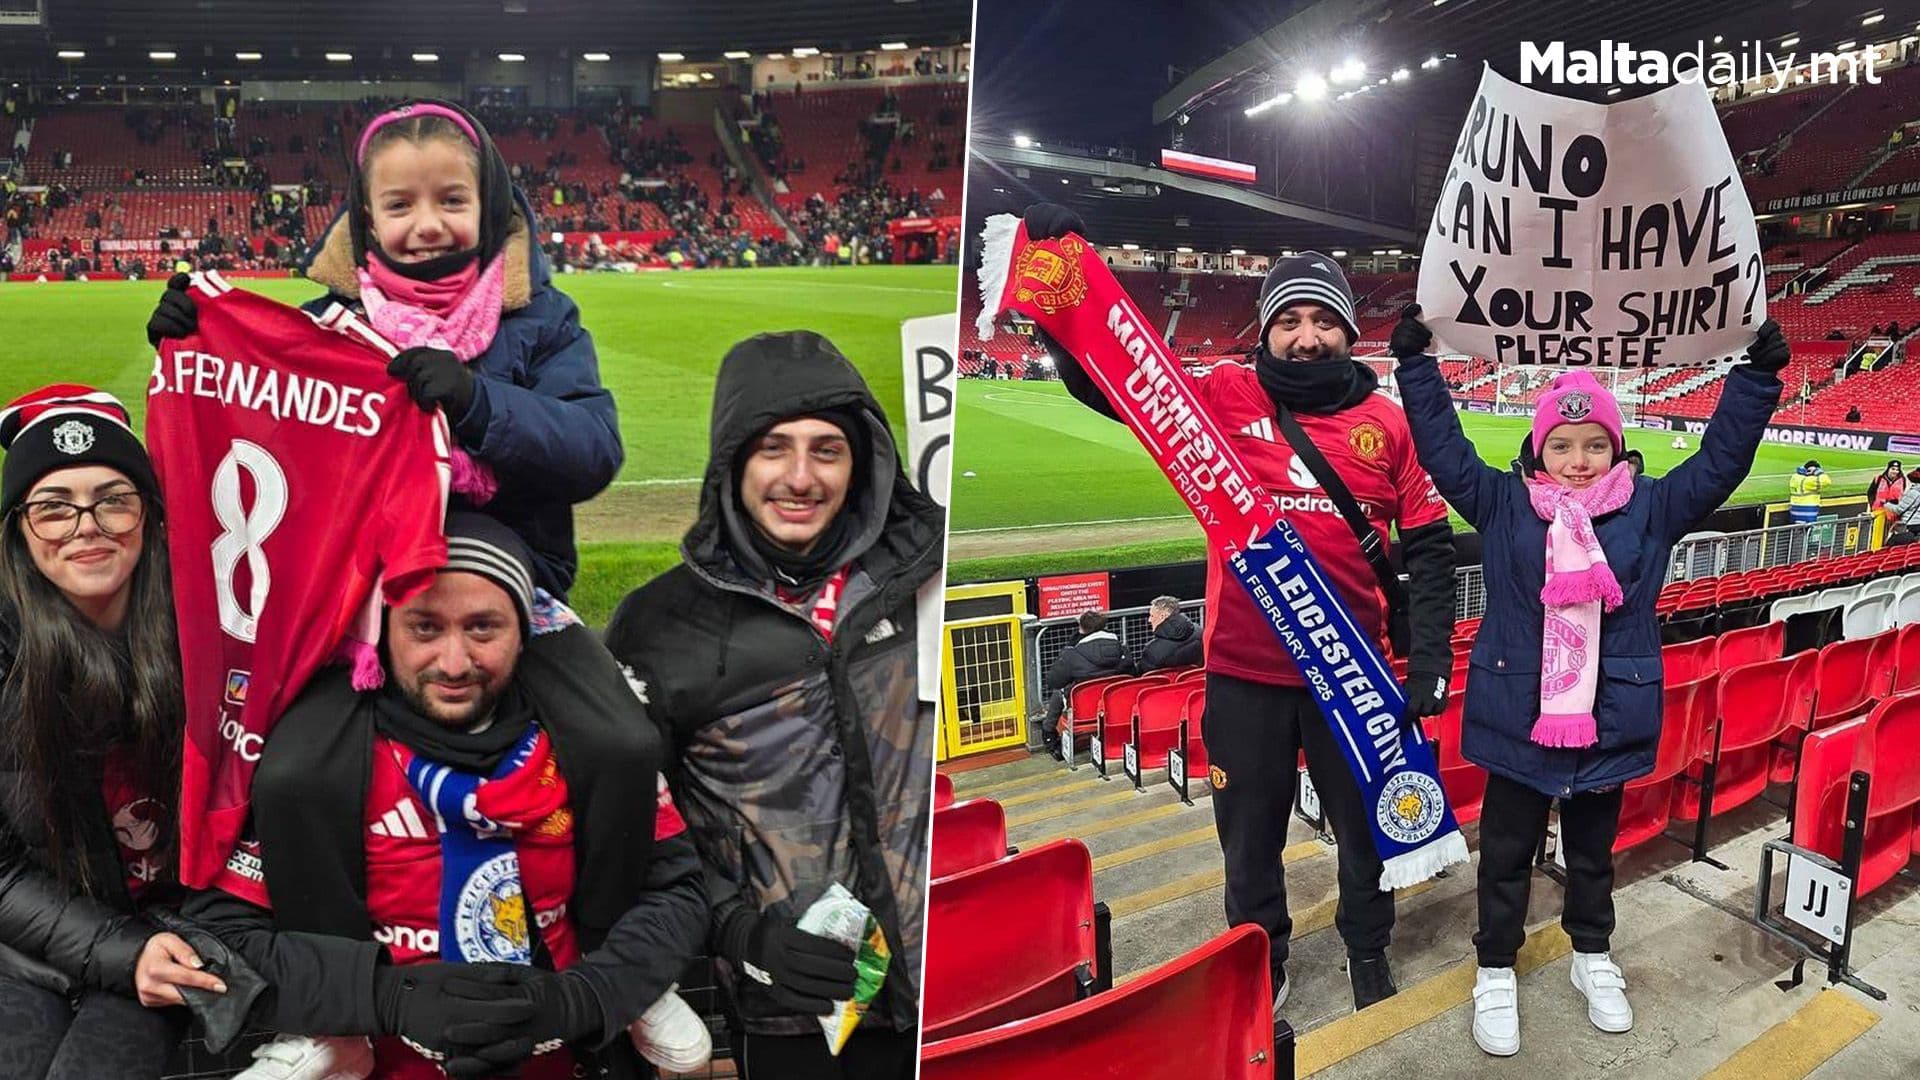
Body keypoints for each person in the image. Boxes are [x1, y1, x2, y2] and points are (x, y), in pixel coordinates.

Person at [1023, 204, 1458, 1015]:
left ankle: (1369, 948)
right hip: (1243, 677)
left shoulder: (1388, 424)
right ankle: (1263, 957)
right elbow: (1117, 387)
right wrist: (1063, 294)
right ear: (1265, 331)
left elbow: (1430, 550)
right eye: (1288, 320)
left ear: (1346, 330)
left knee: (1364, 832)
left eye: (1321, 320)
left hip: (1353, 678)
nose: (1305, 337)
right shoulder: (1225, 393)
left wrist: (1428, 659)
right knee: (1248, 841)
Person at [1391, 308, 1788, 1058]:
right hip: (1519, 718)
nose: (1579, 460)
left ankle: (1592, 956)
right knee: (1505, 853)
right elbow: (1444, 451)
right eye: (1563, 445)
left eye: (1595, 444)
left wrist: (1756, 381)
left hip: (1608, 718)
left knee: (1594, 855)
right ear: (1539, 450)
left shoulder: (1652, 505)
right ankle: (1496, 968)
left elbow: (1720, 461)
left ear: (1616, 447)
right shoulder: (1505, 502)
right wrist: (1417, 368)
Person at [190, 513, 709, 1080]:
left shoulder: (585, 746)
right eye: (424, 628)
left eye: (484, 628)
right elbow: (223, 930)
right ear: (383, 631)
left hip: (574, 1056)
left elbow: (676, 890)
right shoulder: (319, 760)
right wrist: (385, 997)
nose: (454, 663)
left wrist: (590, 996)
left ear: (526, 631)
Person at [604, 331, 945, 1079]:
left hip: (953, 993)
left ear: (863, 465)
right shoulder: (658, 628)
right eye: (772, 449)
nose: (800, 477)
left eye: (827, 450)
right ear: (731, 462)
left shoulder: (930, 583)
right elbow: (634, 831)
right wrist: (740, 935)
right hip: (801, 1013)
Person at [145, 99, 620, 602]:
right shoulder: (326, 328)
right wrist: (200, 351)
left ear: (489, 206)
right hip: (353, 596)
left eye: (453, 201)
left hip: (512, 593)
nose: (429, 224)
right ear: (368, 220)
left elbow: (593, 451)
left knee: (597, 685)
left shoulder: (542, 317)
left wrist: (478, 404)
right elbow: (260, 447)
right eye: (400, 205)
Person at [0, 386, 238, 1079]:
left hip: (183, 931)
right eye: (52, 508)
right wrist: (118, 952)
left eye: (114, 499)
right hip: (34, 939)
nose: (86, 526)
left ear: (151, 517)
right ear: (19, 531)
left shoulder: (215, 639)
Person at [1040, 609, 1136, 753]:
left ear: (1081, 629)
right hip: (1115, 707)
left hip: (1083, 710)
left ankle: (1049, 737)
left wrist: (1073, 641)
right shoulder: (1123, 650)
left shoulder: (1072, 654)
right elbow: (1132, 675)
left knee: (1059, 692)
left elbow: (1053, 681)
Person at [1136, 595, 1203, 672]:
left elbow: (1142, 676)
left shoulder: (1152, 650)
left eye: (1152, 615)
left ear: (1162, 616)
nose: (1149, 620)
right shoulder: (1199, 631)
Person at [1790, 460, 1829, 524]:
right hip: (1809, 514)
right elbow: (1826, 481)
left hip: (1794, 512)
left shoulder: (1795, 477)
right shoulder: (1809, 481)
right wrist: (1817, 471)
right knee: (1809, 532)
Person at [1868, 460, 1906, 525]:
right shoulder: (1879, 479)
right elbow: (1870, 493)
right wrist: (1872, 504)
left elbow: (1903, 494)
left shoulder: (1902, 480)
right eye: (1893, 469)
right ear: (1888, 469)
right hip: (1878, 511)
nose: (1895, 472)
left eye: (1897, 470)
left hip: (1893, 513)